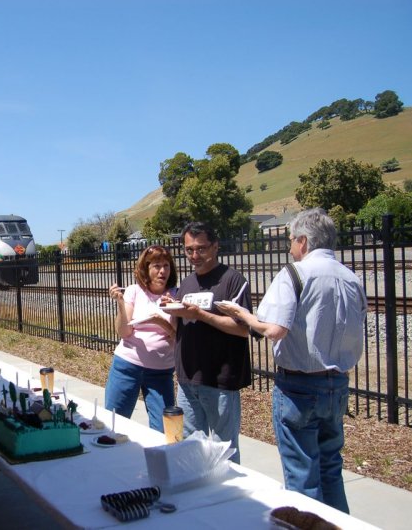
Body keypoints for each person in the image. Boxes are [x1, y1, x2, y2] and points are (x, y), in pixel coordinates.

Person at [216, 209, 366, 513]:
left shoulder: (294, 274)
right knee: (330, 468)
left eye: (290, 241)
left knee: (302, 475)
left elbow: (274, 329)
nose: (289, 247)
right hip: (336, 384)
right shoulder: (351, 277)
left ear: (303, 241)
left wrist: (243, 315)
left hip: (298, 387)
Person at [169, 222, 252, 463]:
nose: (194, 256)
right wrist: (171, 309)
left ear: (215, 247)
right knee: (190, 449)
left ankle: (229, 497)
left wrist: (201, 315)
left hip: (220, 382)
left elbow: (243, 328)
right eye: (189, 250)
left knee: (223, 451)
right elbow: (178, 328)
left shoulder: (233, 281)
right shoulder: (186, 283)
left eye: (201, 249)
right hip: (187, 379)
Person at [105, 245, 178, 432]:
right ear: (146, 269)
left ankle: (157, 461)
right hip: (127, 366)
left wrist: (162, 322)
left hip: (160, 373)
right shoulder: (134, 291)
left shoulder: (175, 295)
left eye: (166, 266)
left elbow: (178, 337)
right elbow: (124, 332)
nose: (162, 271)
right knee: (114, 424)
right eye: (156, 266)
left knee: (164, 430)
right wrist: (121, 304)